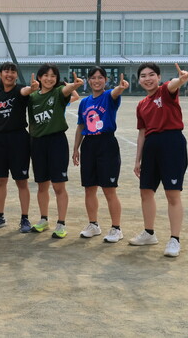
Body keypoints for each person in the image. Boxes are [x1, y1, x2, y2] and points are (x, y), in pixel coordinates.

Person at [130, 62, 188, 257]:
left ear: (158, 77)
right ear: (139, 80)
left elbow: (173, 84)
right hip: (151, 147)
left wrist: (181, 79)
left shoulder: (165, 91)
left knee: (172, 194)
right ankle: (149, 233)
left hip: (172, 143)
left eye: (151, 75)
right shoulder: (141, 105)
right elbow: (142, 133)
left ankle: (174, 239)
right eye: (143, 76)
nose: (147, 79)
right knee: (146, 191)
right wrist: (137, 160)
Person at [72, 67, 129, 243]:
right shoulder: (84, 102)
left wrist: (121, 87)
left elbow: (116, 92)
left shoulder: (109, 96)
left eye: (100, 77)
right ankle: (93, 225)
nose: (96, 81)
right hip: (89, 145)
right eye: (93, 78)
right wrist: (75, 149)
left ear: (105, 80)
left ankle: (116, 228)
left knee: (109, 188)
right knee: (89, 188)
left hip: (107, 144)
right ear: (88, 81)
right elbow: (81, 126)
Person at [27, 64, 83, 239]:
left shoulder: (58, 93)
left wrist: (74, 85)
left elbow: (68, 90)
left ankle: (61, 223)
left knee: (58, 185)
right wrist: (29, 89)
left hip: (56, 142)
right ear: (40, 77)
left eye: (53, 76)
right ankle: (43, 219)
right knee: (42, 184)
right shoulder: (32, 97)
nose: (49, 79)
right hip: (37, 143)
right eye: (46, 75)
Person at [0, 62, 38, 233]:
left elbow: (26, 91)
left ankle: (25, 218)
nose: (10, 74)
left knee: (21, 181)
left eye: (13, 72)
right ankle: (0, 216)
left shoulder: (20, 90)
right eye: (6, 71)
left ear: (16, 75)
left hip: (19, 138)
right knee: (0, 180)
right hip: (0, 140)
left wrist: (32, 88)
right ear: (0, 74)